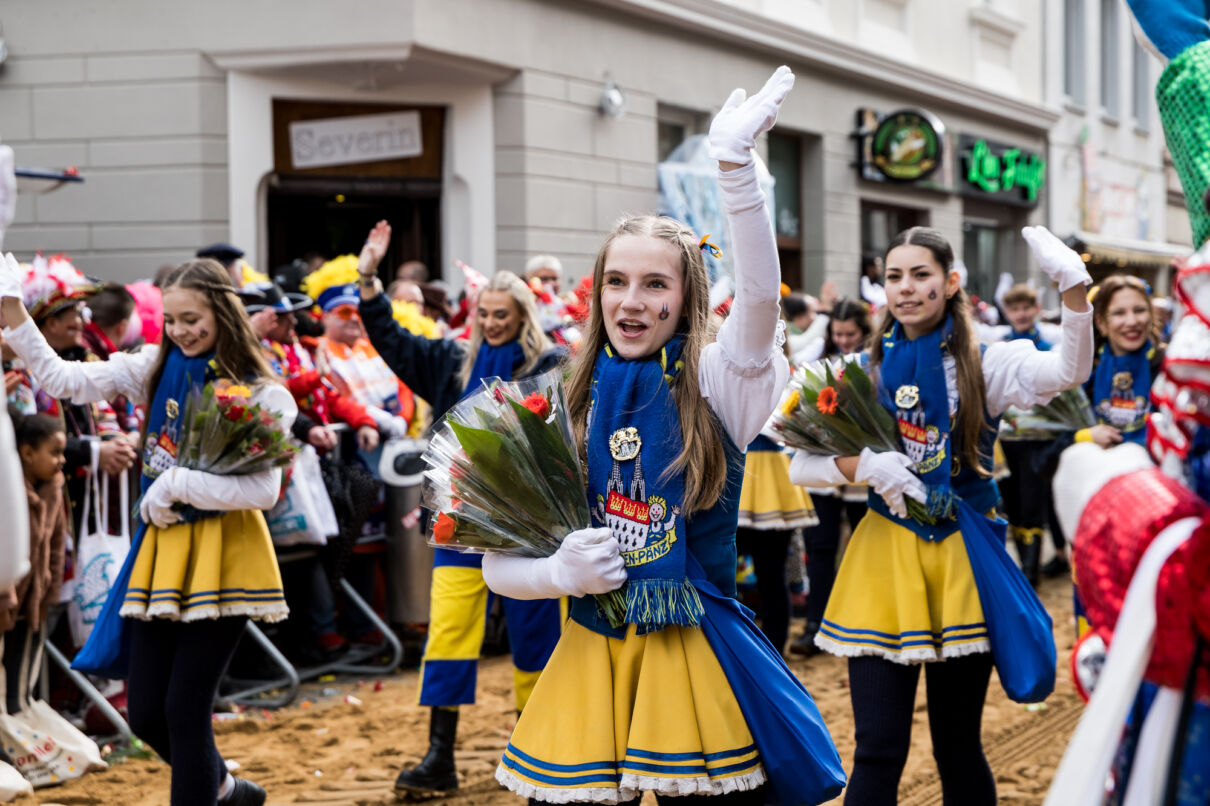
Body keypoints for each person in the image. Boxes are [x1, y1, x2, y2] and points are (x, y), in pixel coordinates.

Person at [477, 66, 845, 805]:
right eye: (618, 281)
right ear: (596, 290)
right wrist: (558, 574)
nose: (633, 301)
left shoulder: (719, 380)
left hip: (693, 653)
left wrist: (735, 174)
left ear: (687, 298)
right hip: (591, 651)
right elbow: (496, 564)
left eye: (656, 284)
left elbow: (761, 314)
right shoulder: (561, 399)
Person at [788, 225, 1094, 804]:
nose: (906, 288)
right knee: (878, 747)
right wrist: (867, 467)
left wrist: (1074, 290)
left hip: (963, 557)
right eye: (895, 276)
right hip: (884, 562)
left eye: (921, 275)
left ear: (951, 282)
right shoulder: (858, 369)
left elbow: (1067, 373)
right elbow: (800, 463)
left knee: (958, 744)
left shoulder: (989, 363)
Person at [0, 254, 296, 806]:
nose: (181, 331)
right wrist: (13, 308)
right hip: (160, 550)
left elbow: (263, 491)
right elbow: (66, 379)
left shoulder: (262, 389)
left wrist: (178, 483)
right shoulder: (156, 365)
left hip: (225, 553)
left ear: (224, 313)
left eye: (193, 318)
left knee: (185, 707)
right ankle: (229, 790)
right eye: (173, 320)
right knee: (147, 711)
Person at [356, 228, 567, 798]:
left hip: (530, 527)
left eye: (502, 314)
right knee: (448, 633)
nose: (492, 322)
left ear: (523, 314)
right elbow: (392, 339)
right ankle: (439, 755)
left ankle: (541, 747)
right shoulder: (451, 360)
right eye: (485, 313)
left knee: (535, 635)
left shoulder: (552, 361)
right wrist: (369, 281)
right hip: (459, 523)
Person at [790, 297, 872, 656]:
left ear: (864, 331)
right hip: (823, 467)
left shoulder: (876, 362)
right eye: (837, 334)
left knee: (864, 544)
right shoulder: (818, 362)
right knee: (819, 546)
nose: (844, 340)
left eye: (850, 333)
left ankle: (865, 621)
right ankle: (816, 622)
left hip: (864, 468)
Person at [996, 284, 1066, 585]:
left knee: (1033, 504)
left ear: (1036, 310)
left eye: (1026, 308)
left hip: (1039, 440)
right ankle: (1021, 568)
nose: (1021, 314)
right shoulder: (998, 348)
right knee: (1011, 505)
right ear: (1007, 312)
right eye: (1015, 309)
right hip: (1007, 440)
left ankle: (1029, 574)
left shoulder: (1049, 347)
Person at [0, 411, 66, 715]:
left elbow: (56, 544)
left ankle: (21, 746)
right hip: (6, 602)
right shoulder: (10, 494)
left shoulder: (54, 487)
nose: (62, 460)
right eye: (55, 453)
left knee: (21, 686)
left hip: (34, 603)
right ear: (26, 453)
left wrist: (48, 594)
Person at [1079, 274, 1163, 449]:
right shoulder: (1083, 372)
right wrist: (1082, 436)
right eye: (1119, 313)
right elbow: (1047, 447)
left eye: (1139, 310)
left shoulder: (1172, 367)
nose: (1132, 321)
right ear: (1101, 323)